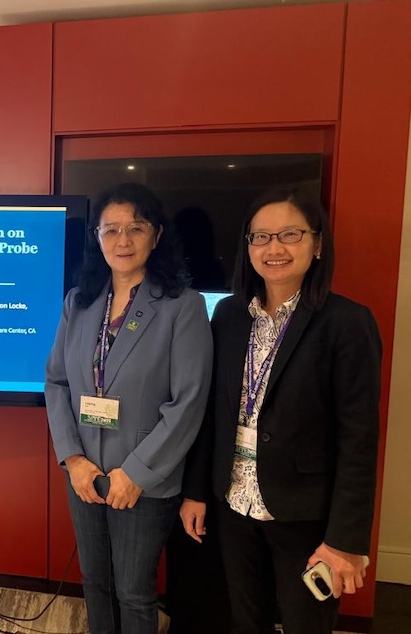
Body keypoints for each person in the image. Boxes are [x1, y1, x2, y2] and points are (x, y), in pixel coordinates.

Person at [180, 189, 382, 633]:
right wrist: (196, 492)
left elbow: (360, 439)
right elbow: (212, 413)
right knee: (245, 621)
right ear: (248, 247)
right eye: (261, 237)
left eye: (290, 234)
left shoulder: (347, 323)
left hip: (306, 513)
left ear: (318, 244)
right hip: (234, 502)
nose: (274, 248)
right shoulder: (229, 315)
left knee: (306, 624)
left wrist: (344, 540)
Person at [45, 182, 213, 634]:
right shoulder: (79, 302)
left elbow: (189, 402)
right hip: (85, 474)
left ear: (156, 235)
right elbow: (57, 382)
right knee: (94, 581)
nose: (123, 240)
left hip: (144, 480)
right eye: (111, 229)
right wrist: (73, 459)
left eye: (136, 228)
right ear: (97, 238)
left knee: (135, 592)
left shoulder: (183, 306)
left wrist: (136, 473)